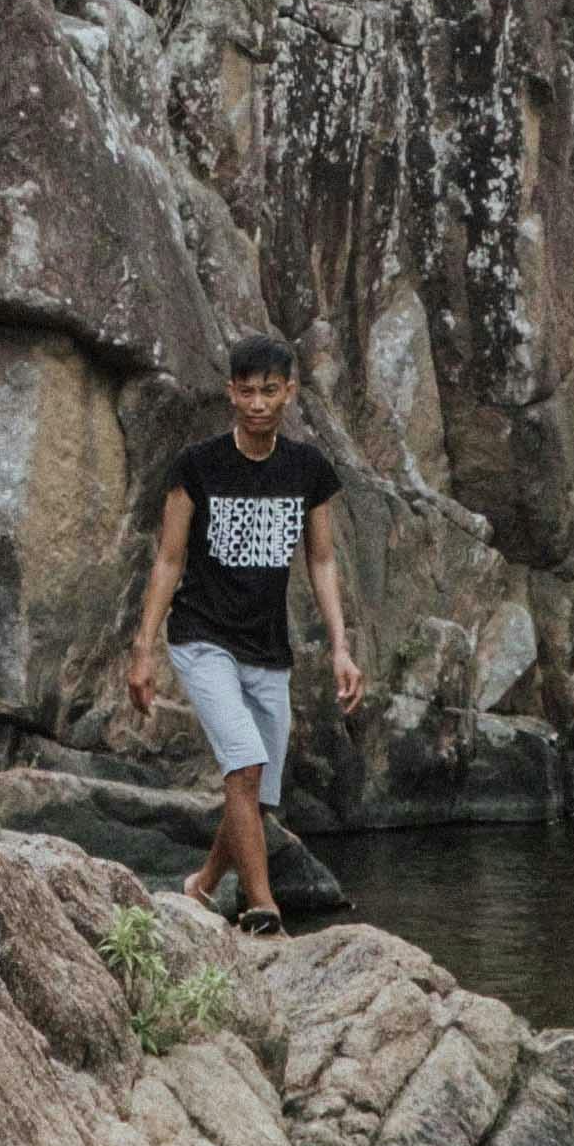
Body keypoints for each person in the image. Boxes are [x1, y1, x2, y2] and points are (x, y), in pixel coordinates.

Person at [123, 332, 365, 936]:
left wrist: (340, 648)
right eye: (247, 391)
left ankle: (202, 886)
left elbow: (323, 562)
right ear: (231, 392)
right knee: (245, 766)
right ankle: (263, 912)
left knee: (256, 798)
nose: (258, 403)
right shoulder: (197, 466)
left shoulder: (308, 469)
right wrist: (143, 649)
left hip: (269, 651)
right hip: (202, 638)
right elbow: (169, 560)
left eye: (270, 391)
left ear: (290, 392)